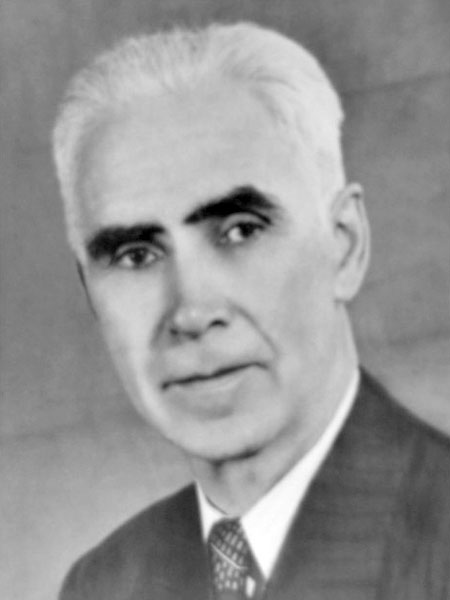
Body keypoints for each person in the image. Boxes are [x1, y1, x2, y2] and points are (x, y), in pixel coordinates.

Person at [52, 22, 450, 600]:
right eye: (136, 255)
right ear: (90, 292)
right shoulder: (106, 582)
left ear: (344, 246)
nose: (191, 311)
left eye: (240, 230)